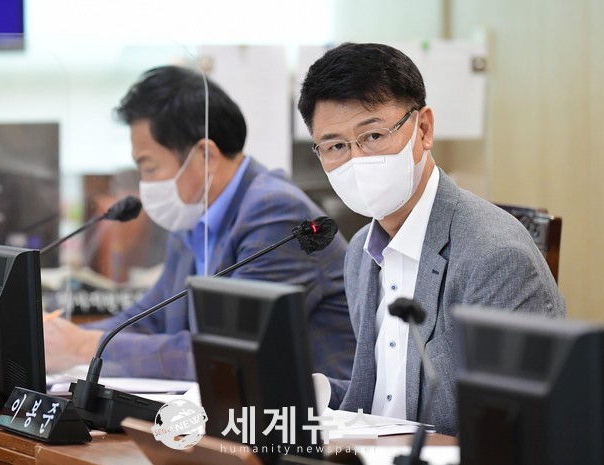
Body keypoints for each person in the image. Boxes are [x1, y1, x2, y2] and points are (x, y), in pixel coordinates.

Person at [297, 42, 566, 436]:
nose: (357, 160)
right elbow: (388, 399)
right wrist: (316, 392)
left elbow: (513, 430)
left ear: (423, 130)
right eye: (335, 146)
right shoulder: (360, 252)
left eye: (373, 135)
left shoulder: (496, 256)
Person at [43, 65, 355, 382]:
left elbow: (227, 355)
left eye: (149, 168)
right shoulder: (194, 214)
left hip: (320, 410)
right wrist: (58, 336)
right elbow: (150, 317)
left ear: (206, 155)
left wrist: (82, 346)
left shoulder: (274, 213)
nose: (144, 184)